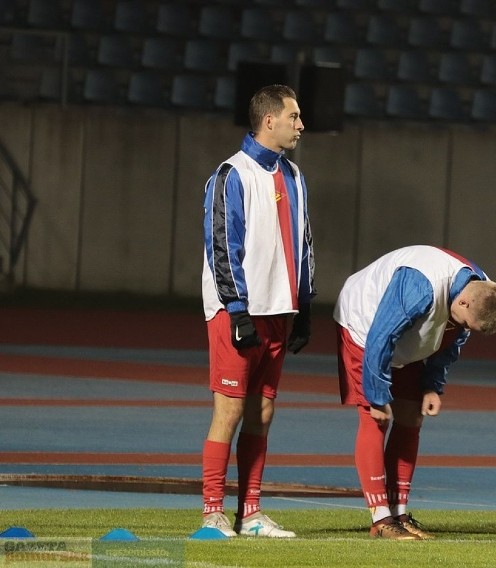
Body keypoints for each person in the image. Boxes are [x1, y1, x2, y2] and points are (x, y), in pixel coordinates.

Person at [199, 84, 315, 539]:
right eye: (294, 116)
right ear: (270, 120)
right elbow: (222, 247)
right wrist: (238, 309)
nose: (301, 125)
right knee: (228, 411)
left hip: (279, 311)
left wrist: (303, 306)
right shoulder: (231, 173)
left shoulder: (294, 176)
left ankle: (250, 513)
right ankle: (212, 513)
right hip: (238, 311)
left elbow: (304, 243)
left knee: (262, 412)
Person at [334, 245, 496, 540]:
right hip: (364, 325)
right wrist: (377, 395)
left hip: (408, 332)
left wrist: (432, 386)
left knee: (411, 417)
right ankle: (380, 520)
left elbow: (452, 340)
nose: (463, 328)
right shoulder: (421, 285)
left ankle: (399, 512)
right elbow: (382, 335)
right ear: (464, 303)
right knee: (375, 418)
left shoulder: (480, 290)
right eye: (466, 323)